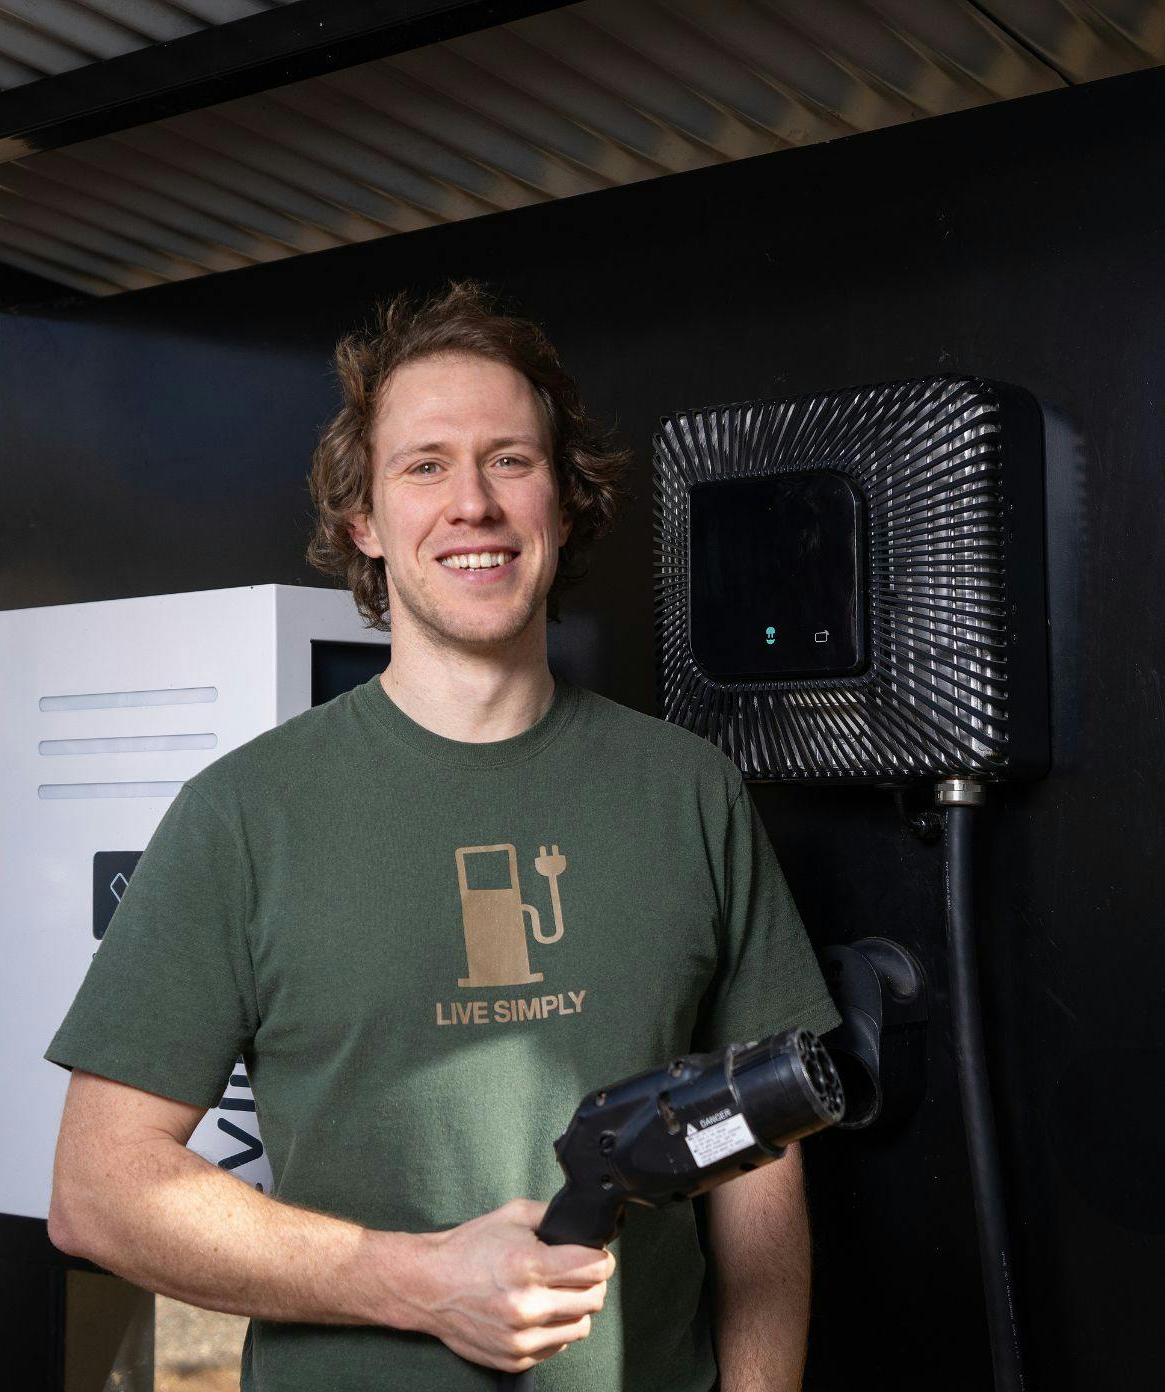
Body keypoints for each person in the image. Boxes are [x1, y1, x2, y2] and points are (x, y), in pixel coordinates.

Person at [45, 282, 841, 1392]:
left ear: (560, 503)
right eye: (424, 465)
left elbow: (759, 1161)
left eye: (510, 460)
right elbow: (99, 1191)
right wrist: (414, 1279)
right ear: (362, 521)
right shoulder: (244, 815)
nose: (471, 501)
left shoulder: (689, 792)